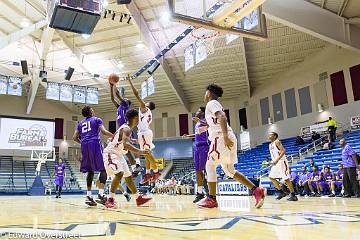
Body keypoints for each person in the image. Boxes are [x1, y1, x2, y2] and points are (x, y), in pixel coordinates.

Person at [197, 84, 266, 209]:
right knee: (229, 171)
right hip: (226, 136)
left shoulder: (211, 103)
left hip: (221, 137)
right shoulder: (214, 105)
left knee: (209, 165)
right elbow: (216, 121)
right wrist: (205, 127)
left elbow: (222, 117)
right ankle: (256, 190)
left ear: (209, 93)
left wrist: (224, 136)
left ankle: (211, 199)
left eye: (205, 92)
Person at [104, 109, 153, 208]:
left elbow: (125, 141)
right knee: (119, 174)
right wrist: (140, 151)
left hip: (118, 154)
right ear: (135, 118)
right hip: (111, 153)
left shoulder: (126, 129)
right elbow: (126, 144)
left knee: (128, 177)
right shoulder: (127, 129)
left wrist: (133, 141)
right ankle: (110, 199)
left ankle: (138, 198)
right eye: (139, 117)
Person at [73, 106, 113, 206]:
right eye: (92, 109)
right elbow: (103, 132)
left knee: (90, 171)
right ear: (91, 112)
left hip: (84, 145)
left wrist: (83, 142)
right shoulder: (97, 119)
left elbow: (74, 137)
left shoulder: (80, 123)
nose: (93, 110)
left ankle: (89, 195)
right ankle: (101, 194)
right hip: (94, 143)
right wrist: (113, 135)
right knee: (104, 169)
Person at [127, 76, 159, 184]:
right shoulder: (145, 112)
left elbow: (136, 94)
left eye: (146, 103)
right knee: (146, 155)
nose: (143, 103)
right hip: (143, 133)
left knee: (146, 153)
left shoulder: (145, 109)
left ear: (148, 106)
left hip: (144, 132)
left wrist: (130, 82)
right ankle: (148, 174)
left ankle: (156, 172)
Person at [109, 83, 142, 176]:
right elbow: (112, 98)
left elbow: (117, 95)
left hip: (126, 128)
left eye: (126, 100)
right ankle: (134, 168)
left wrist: (114, 84)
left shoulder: (125, 105)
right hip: (121, 129)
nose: (124, 99)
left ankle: (138, 164)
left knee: (129, 146)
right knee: (126, 150)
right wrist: (110, 87)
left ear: (127, 103)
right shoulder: (119, 107)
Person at [182, 107, 210, 203]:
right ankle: (200, 193)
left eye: (198, 111)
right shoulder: (198, 123)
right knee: (198, 170)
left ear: (202, 113)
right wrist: (188, 136)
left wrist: (200, 121)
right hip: (197, 147)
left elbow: (210, 126)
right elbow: (197, 134)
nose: (196, 112)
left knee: (206, 170)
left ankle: (210, 193)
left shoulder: (205, 120)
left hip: (204, 147)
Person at [268, 132, 298, 201]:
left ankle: (293, 195)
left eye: (271, 135)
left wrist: (277, 160)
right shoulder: (270, 145)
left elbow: (283, 151)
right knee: (271, 177)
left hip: (281, 161)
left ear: (275, 136)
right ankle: (281, 192)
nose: (269, 136)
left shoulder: (277, 141)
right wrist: (273, 161)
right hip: (276, 163)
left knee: (286, 179)